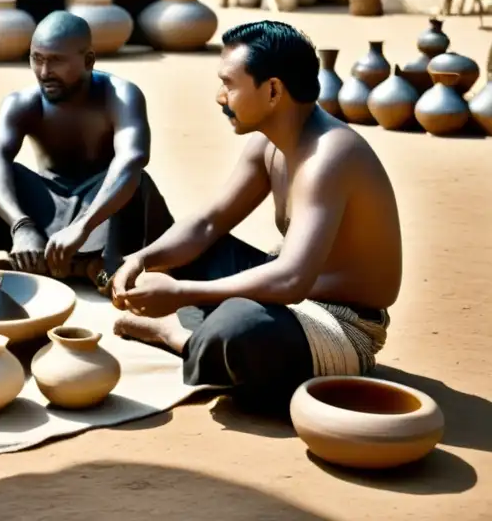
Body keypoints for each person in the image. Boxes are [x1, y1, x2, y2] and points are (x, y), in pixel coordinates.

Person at [112, 20, 401, 412]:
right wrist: (142, 258)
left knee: (240, 328)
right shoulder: (266, 143)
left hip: (342, 324)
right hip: (288, 289)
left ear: (273, 90)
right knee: (185, 246)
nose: (220, 96)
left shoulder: (330, 155)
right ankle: (201, 327)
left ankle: (174, 335)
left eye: (229, 84)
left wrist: (180, 293)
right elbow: (209, 223)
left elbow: (291, 279)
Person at [0, 11, 174, 290]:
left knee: (134, 178)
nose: (44, 73)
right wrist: (22, 226)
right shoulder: (22, 101)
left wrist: (83, 227)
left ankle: (101, 269)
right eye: (37, 58)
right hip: (51, 209)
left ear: (88, 61)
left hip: (105, 210)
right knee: (4, 172)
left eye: (56, 61)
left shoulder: (120, 94)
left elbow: (133, 158)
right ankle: (69, 265)